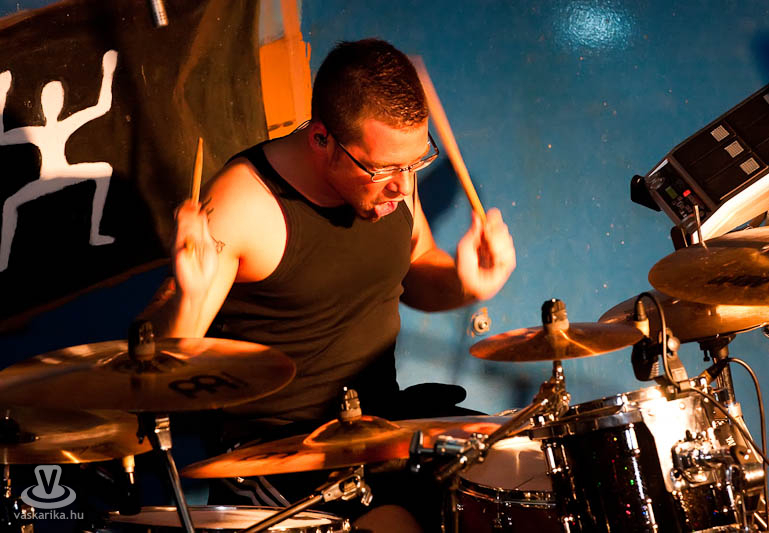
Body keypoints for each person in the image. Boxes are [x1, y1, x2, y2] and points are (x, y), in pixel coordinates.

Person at [146, 38, 515, 530]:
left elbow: (417, 265)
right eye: (384, 169)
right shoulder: (244, 206)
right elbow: (154, 370)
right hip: (280, 458)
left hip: (380, 429)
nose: (404, 186)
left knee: (514, 473)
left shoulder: (391, 177)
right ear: (321, 139)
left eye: (415, 163)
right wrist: (188, 300)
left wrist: (466, 285)